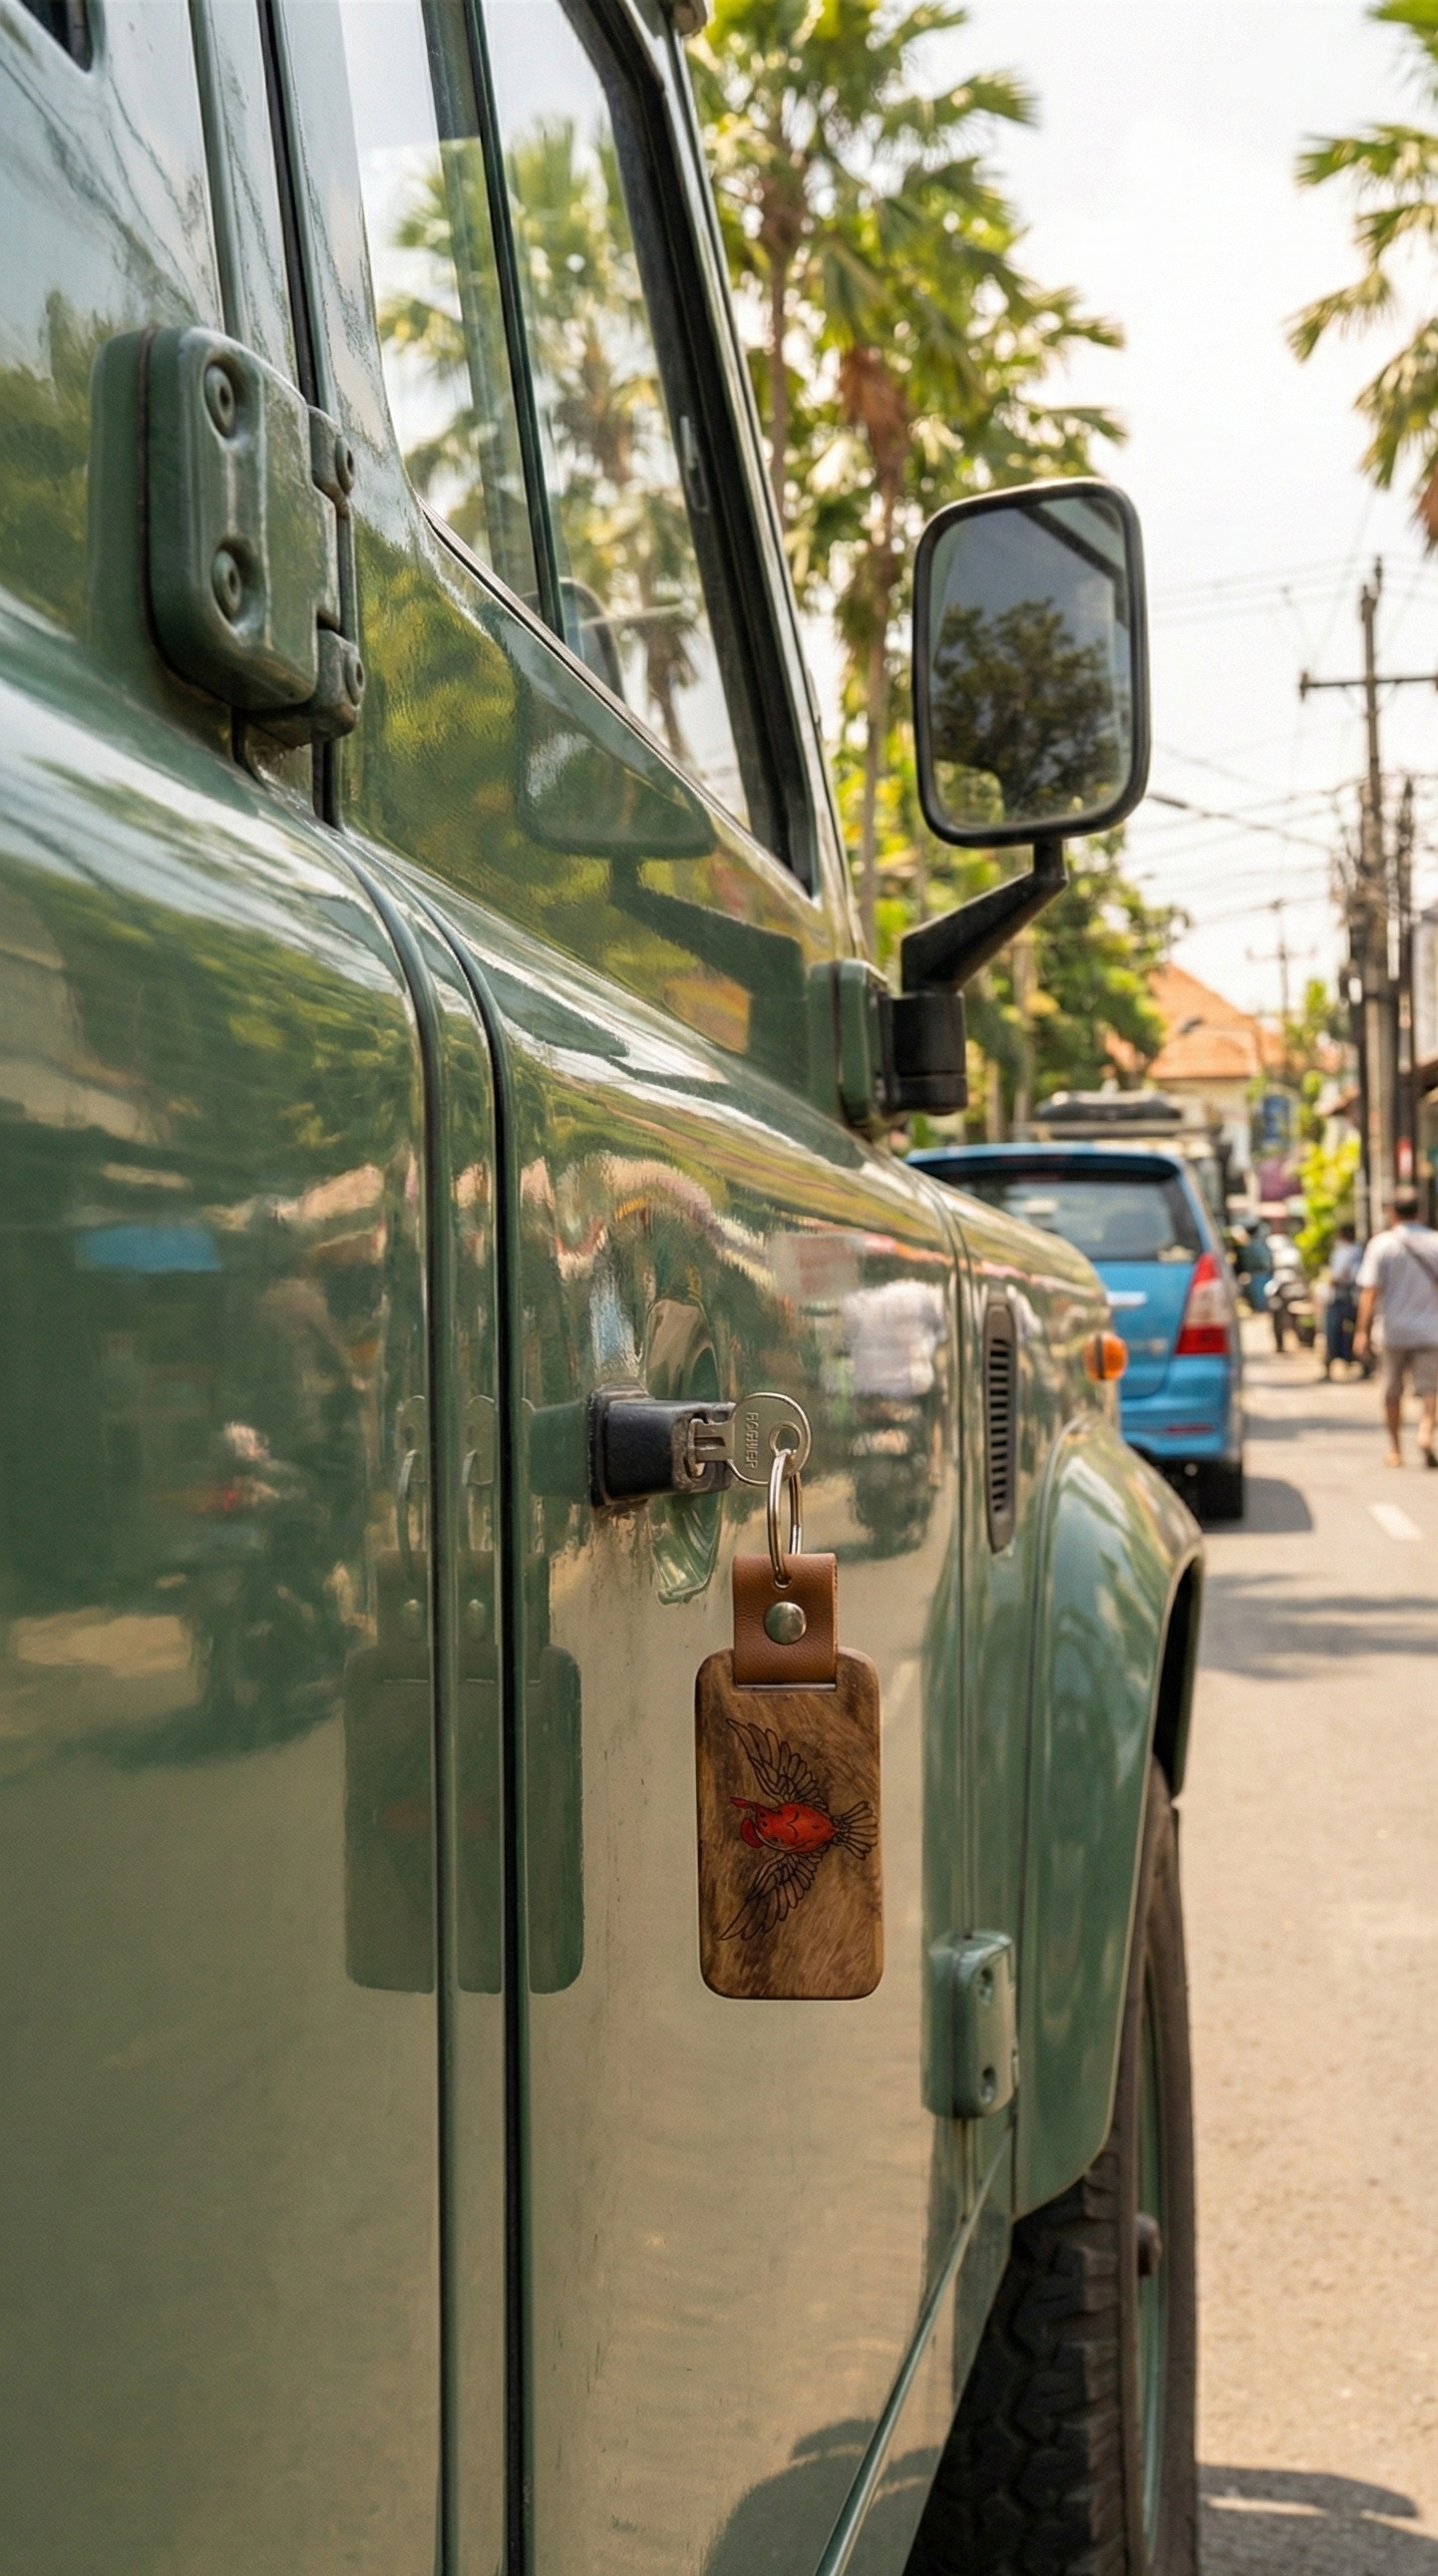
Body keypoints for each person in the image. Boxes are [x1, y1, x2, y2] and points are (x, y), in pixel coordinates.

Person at [1353, 1188, 1438, 1467]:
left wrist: (1362, 1331)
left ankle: (1395, 1449)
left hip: (1393, 1330)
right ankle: (1426, 1432)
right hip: (1430, 1329)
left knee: (1392, 1391)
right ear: (1420, 1211)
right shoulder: (1435, 1243)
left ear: (1392, 1212)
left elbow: (1369, 1293)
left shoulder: (1382, 1245)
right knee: (1431, 1389)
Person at [1322, 1222, 1362, 1378]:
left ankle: (1351, 1361)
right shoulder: (1350, 1251)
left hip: (1345, 1295)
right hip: (1346, 1295)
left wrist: (1335, 1281)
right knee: (1341, 1331)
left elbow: (1343, 1274)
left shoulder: (1349, 1251)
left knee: (1334, 1330)